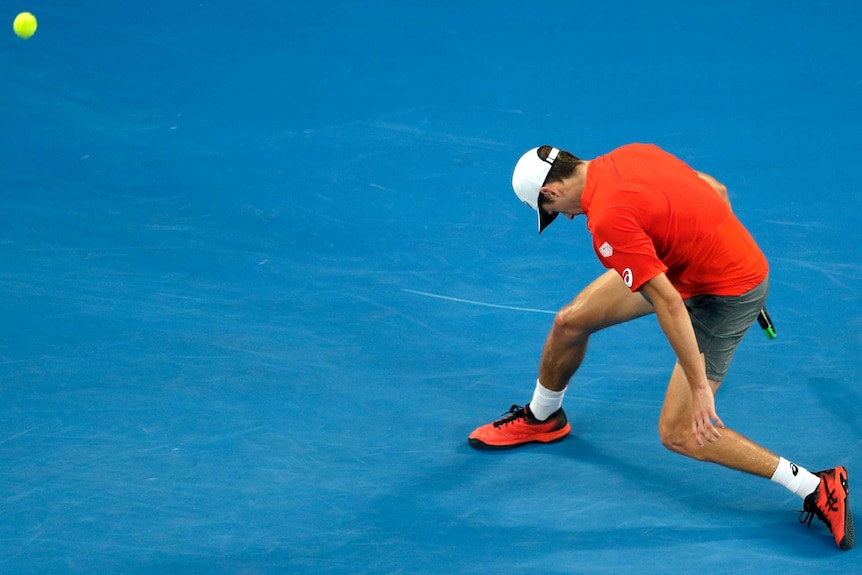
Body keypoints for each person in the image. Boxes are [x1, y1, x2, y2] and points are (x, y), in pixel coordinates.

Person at [468, 143, 854, 550]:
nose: (565, 216)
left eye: (554, 211)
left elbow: (670, 303)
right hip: (689, 268)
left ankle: (815, 484)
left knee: (681, 432)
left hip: (723, 296)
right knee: (571, 321)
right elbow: (715, 189)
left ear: (550, 192)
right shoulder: (632, 153)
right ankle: (543, 417)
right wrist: (724, 249)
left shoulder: (607, 222)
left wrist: (700, 385)